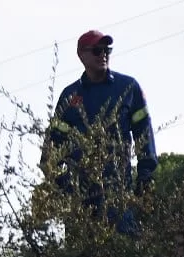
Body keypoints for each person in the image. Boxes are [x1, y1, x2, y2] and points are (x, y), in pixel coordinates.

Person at [43, 30, 157, 236]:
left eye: (107, 50)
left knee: (126, 255)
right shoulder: (70, 96)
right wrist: (62, 184)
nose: (103, 54)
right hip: (80, 197)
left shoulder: (128, 88)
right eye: (97, 50)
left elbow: (143, 132)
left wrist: (146, 174)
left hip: (118, 190)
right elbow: (53, 145)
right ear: (81, 55)